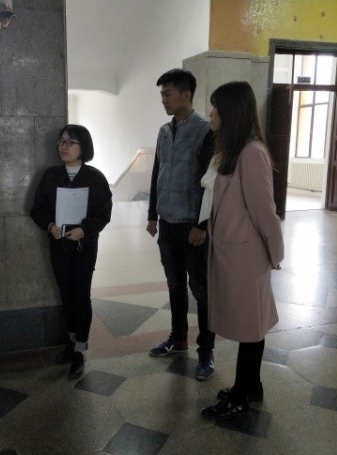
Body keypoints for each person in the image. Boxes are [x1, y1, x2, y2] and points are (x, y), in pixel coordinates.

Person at [200, 81, 284, 420]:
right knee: (251, 322)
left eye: (216, 108)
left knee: (250, 325)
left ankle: (240, 394)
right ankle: (252, 386)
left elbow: (265, 211)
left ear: (231, 112)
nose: (211, 114)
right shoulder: (233, 151)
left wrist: (276, 253)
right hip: (234, 253)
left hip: (247, 256)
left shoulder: (251, 153)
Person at [147, 68, 216, 380]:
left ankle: (206, 351)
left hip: (192, 225)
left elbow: (210, 183)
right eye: (162, 94)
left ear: (186, 95)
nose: (163, 99)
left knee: (200, 289)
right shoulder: (164, 131)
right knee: (174, 284)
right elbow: (157, 172)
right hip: (168, 222)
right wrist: (152, 214)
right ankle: (178, 338)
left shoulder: (205, 131)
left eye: (168, 94)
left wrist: (203, 224)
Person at [30, 125, 112, 379]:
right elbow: (37, 208)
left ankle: (79, 350)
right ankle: (71, 341)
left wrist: (84, 230)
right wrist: (49, 225)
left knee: (81, 295)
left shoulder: (95, 177)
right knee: (66, 295)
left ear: (83, 146)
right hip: (59, 244)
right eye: (61, 142)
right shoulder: (51, 175)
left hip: (84, 245)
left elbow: (103, 213)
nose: (63, 147)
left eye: (70, 142)